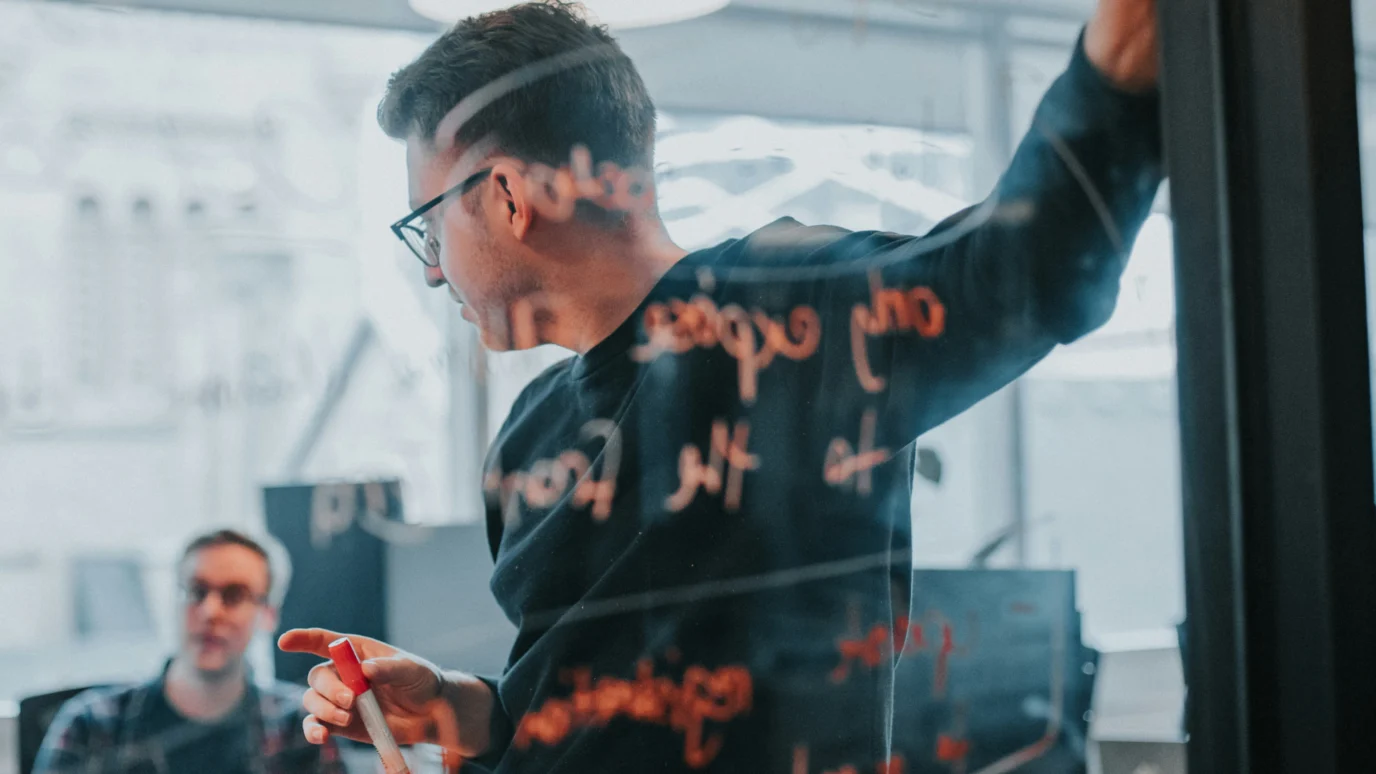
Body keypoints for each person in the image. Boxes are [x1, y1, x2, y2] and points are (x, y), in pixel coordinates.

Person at [280, 0, 1163, 771]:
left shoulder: (784, 318)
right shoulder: (529, 436)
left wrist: (1120, 70)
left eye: (428, 227)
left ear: (508, 195)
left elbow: (1018, 272)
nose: (434, 273)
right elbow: (569, 714)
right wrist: (451, 704)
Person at [35, 529, 343, 774]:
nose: (210, 611)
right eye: (196, 591)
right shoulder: (90, 725)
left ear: (268, 614)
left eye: (234, 595)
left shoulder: (301, 729)